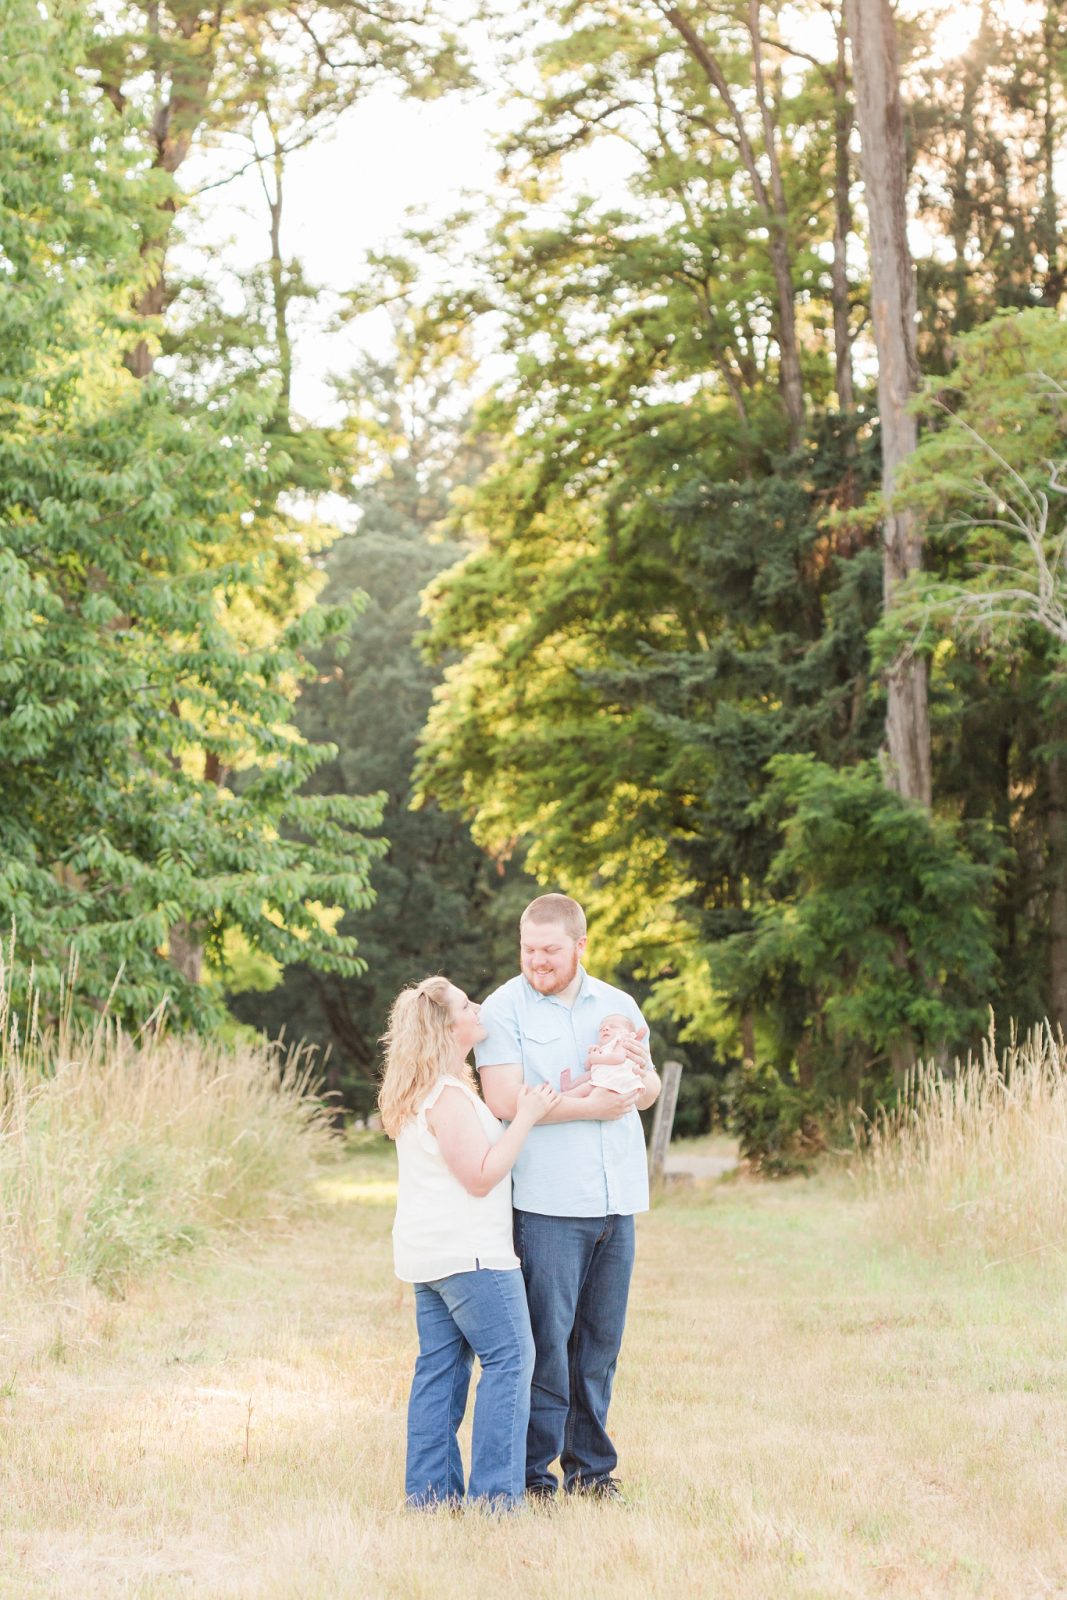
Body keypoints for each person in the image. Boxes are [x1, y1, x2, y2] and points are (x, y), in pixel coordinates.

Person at [474, 894, 662, 1501]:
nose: (537, 961)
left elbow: (650, 1085)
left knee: (600, 1345)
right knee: (546, 1346)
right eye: (529, 950)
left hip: (617, 1197)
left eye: (550, 950)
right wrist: (592, 1106)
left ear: (580, 946)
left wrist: (638, 1082)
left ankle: (592, 1473)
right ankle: (534, 1477)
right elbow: (504, 1100)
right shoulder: (503, 1009)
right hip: (550, 1203)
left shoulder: (619, 1004)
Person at [379, 974, 559, 1511]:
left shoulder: (421, 1091)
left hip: (430, 1256)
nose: (477, 1008)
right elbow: (480, 1177)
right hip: (471, 1257)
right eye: (465, 1005)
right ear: (446, 1025)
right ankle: (495, 1500)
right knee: (510, 1359)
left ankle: (431, 1498)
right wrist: (525, 1117)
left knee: (441, 1369)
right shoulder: (449, 1095)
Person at [560, 1013, 645, 1097]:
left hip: (615, 1080)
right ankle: (570, 1086)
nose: (605, 1028)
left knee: (585, 1089)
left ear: (627, 1033)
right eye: (601, 1029)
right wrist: (591, 1056)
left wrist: (596, 1058)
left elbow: (618, 1058)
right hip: (604, 1078)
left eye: (613, 1026)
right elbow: (588, 1067)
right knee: (590, 1074)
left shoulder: (622, 1041)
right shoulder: (603, 1048)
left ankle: (564, 1097)